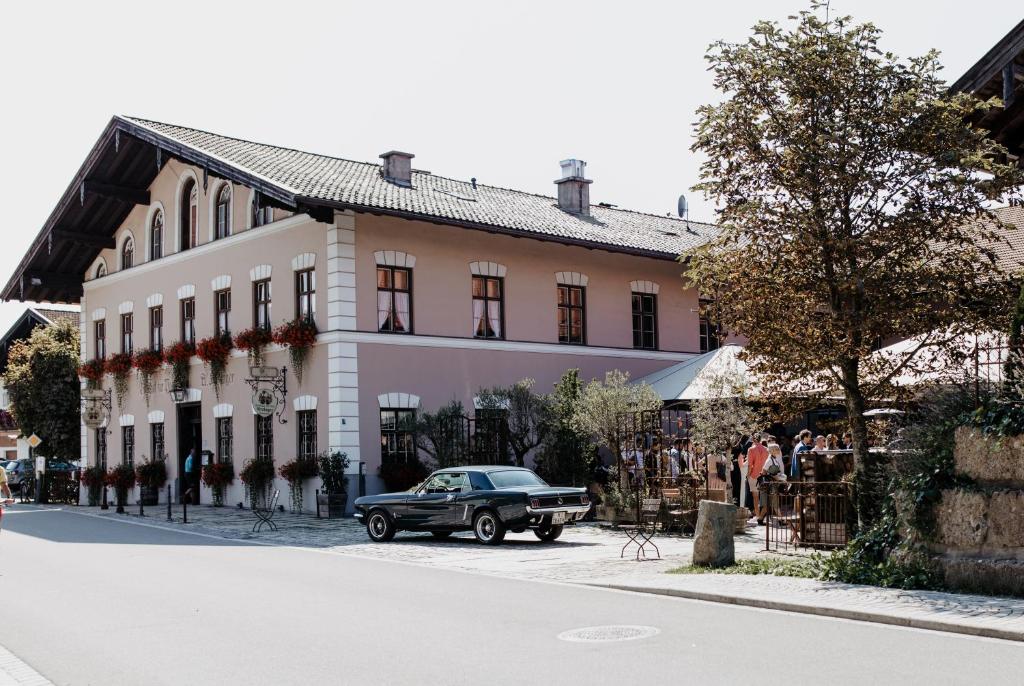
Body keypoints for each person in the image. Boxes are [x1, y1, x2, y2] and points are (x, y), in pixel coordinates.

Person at [756, 443, 787, 521]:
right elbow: (763, 472)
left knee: (768, 505)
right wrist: (774, 476)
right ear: (772, 451)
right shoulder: (769, 460)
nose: (779, 450)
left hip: (773, 484)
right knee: (774, 503)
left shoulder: (774, 459)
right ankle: (781, 520)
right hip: (770, 485)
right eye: (777, 449)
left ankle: (760, 519)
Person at [744, 434, 769, 522]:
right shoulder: (766, 449)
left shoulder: (751, 449)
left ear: (753, 440)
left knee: (755, 496)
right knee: (763, 496)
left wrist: (748, 474)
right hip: (764, 475)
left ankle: (758, 516)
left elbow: (750, 464)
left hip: (754, 474)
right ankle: (761, 516)